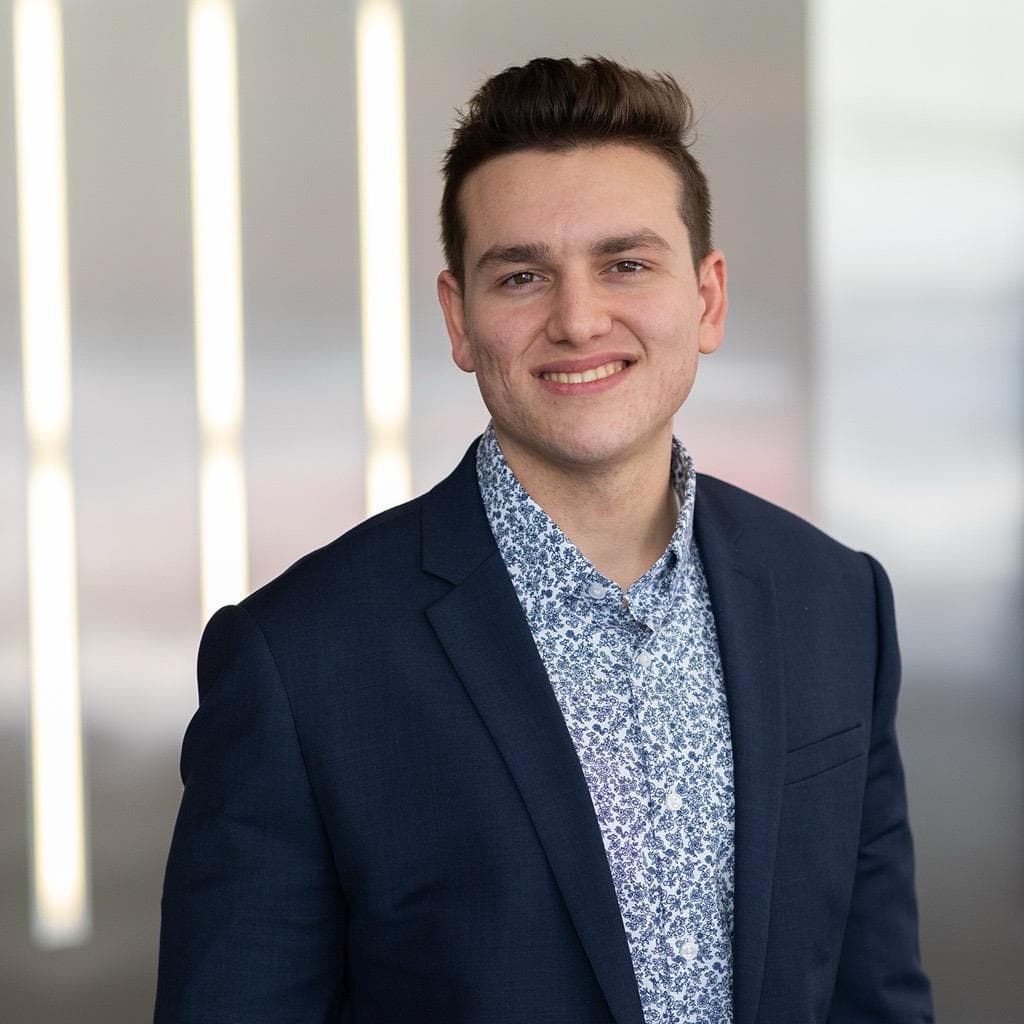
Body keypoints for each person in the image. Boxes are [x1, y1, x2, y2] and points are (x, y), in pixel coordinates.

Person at [155, 56, 933, 1024]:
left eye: (626, 264)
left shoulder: (835, 600)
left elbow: (873, 993)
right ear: (459, 319)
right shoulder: (300, 659)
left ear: (708, 298)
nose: (577, 319)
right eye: (522, 276)